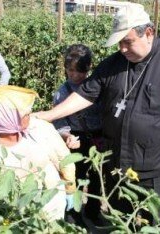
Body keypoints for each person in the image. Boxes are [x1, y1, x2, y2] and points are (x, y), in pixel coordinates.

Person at [33, 2, 160, 228]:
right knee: (119, 223)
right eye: (119, 43)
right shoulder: (112, 65)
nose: (123, 49)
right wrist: (49, 115)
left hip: (156, 170)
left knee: (152, 225)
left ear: (148, 33)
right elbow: (86, 94)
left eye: (128, 42)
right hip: (117, 166)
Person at [0, 85, 76, 221]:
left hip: (52, 201)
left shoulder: (40, 128)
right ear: (5, 119)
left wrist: (70, 188)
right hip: (14, 212)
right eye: (25, 114)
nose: (30, 114)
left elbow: (65, 159)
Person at [53, 44, 102, 226]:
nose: (74, 75)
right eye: (70, 70)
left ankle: (93, 210)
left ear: (89, 67)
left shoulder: (96, 86)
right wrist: (66, 136)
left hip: (98, 137)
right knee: (76, 176)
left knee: (98, 175)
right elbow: (59, 119)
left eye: (79, 71)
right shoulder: (63, 91)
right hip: (76, 138)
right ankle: (74, 212)